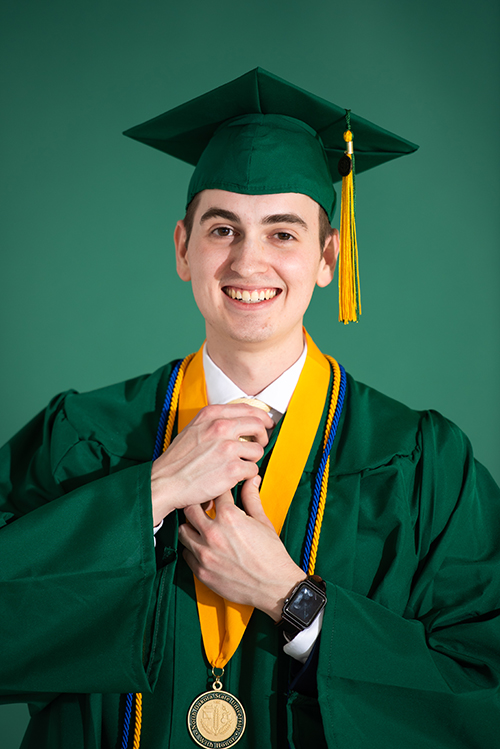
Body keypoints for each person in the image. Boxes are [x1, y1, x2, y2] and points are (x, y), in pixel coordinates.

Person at [1, 68, 499, 749]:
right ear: (183, 247)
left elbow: (484, 688)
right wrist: (150, 492)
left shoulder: (426, 466)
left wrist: (299, 603)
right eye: (222, 228)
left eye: (283, 234)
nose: (248, 260)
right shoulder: (85, 437)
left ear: (328, 256)